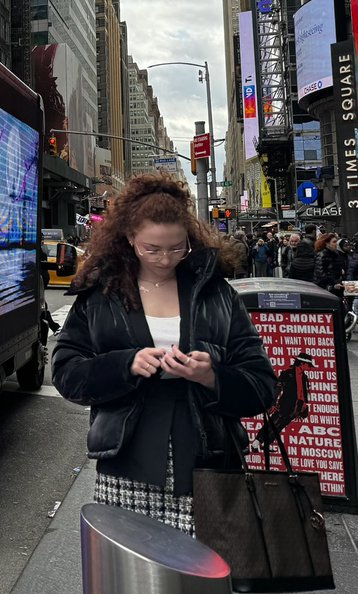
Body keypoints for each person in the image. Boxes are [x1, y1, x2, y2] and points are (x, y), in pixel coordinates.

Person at [51, 173, 276, 534]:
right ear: (128, 239)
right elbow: (65, 372)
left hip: (209, 462)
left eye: (176, 247)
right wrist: (126, 364)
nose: (165, 259)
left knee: (204, 582)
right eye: (151, 249)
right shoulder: (101, 295)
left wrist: (212, 376)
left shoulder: (216, 293)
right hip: (128, 465)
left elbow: (262, 384)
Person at [313, 233, 347, 307]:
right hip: (326, 289)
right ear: (327, 243)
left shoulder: (335, 254)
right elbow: (320, 274)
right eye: (334, 242)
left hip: (335, 287)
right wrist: (333, 284)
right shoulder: (322, 255)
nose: (336, 244)